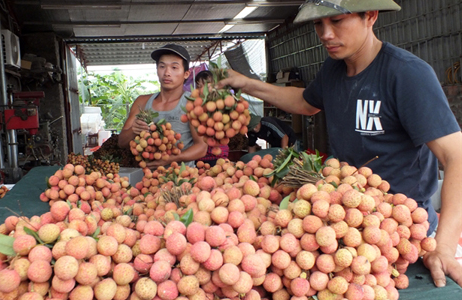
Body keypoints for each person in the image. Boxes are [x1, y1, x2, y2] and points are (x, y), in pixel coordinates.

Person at [217, 0, 462, 288]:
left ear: (370, 16)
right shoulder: (333, 70)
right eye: (319, 24)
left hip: (398, 231)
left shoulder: (406, 74)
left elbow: (455, 156)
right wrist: (246, 84)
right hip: (341, 219)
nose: (325, 34)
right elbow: (304, 102)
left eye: (337, 21)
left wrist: (444, 247)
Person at [118, 44, 207, 167]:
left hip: (183, 180)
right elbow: (121, 142)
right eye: (162, 66)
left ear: (186, 74)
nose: (167, 73)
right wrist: (134, 130)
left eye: (174, 67)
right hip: (146, 181)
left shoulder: (192, 103)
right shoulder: (142, 102)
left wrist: (170, 159)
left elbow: (202, 147)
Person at [194, 70, 229, 167]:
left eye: (205, 86)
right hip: (199, 159)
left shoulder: (222, 104)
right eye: (198, 86)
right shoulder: (196, 107)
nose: (202, 89)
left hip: (218, 157)